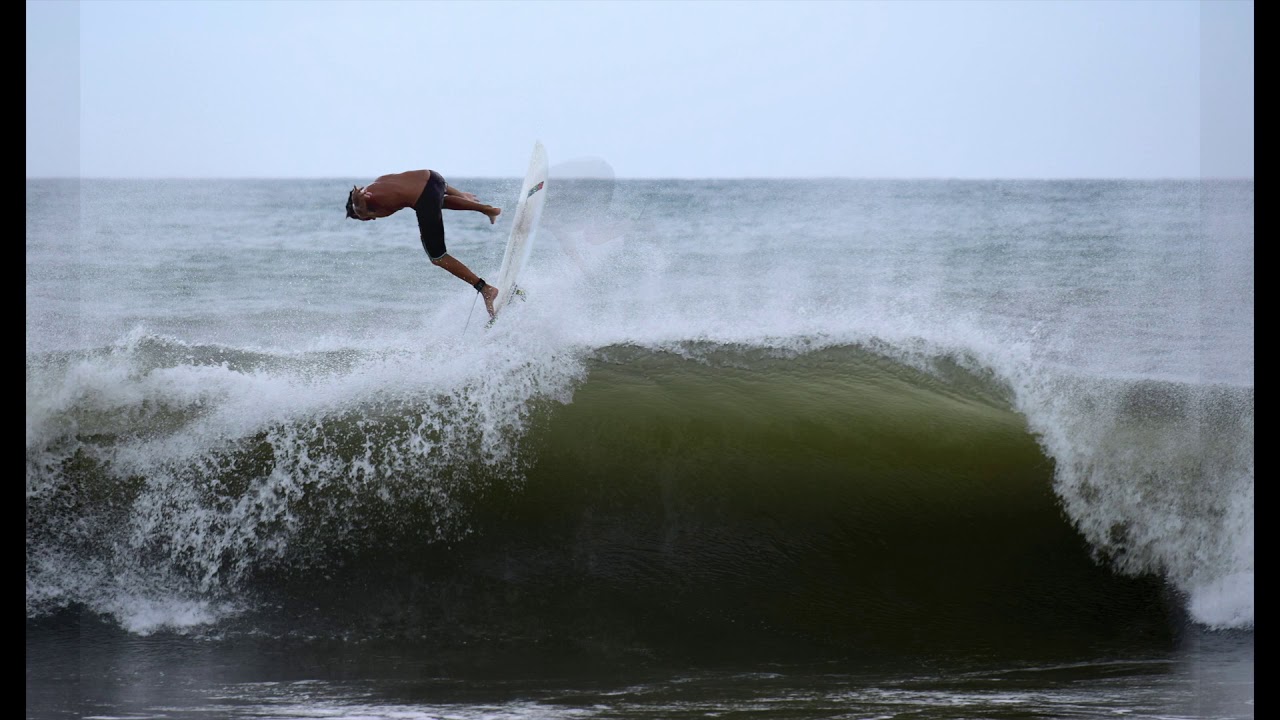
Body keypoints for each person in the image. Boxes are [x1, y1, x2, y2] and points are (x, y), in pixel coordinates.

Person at [346, 169, 503, 317]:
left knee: (438, 257)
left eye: (364, 219)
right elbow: (440, 186)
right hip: (433, 177)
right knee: (437, 201)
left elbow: (361, 209)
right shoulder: (381, 181)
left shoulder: (366, 205)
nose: (370, 219)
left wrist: (357, 206)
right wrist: (462, 195)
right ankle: (488, 209)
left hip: (425, 198)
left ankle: (485, 289)